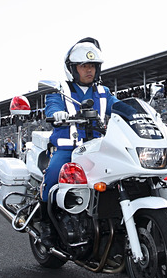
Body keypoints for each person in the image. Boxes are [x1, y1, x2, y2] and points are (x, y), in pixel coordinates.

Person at [42, 37, 120, 206]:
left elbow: (119, 107)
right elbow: (52, 106)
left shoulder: (103, 92)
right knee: (54, 173)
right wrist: (57, 114)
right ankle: (45, 214)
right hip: (68, 150)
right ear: (73, 69)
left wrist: (137, 110)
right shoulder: (60, 90)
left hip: (98, 149)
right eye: (83, 66)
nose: (89, 70)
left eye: (92, 66)